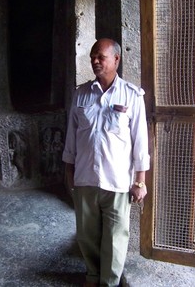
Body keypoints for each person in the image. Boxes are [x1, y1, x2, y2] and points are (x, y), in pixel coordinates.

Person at [62, 38, 150, 287]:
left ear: (116, 60)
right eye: (93, 57)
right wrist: (69, 171)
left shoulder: (131, 95)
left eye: (101, 56)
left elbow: (140, 143)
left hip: (118, 181)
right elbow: (71, 138)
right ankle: (92, 276)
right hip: (85, 178)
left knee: (115, 237)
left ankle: (109, 282)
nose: (95, 61)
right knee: (87, 234)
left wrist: (140, 182)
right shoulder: (81, 94)